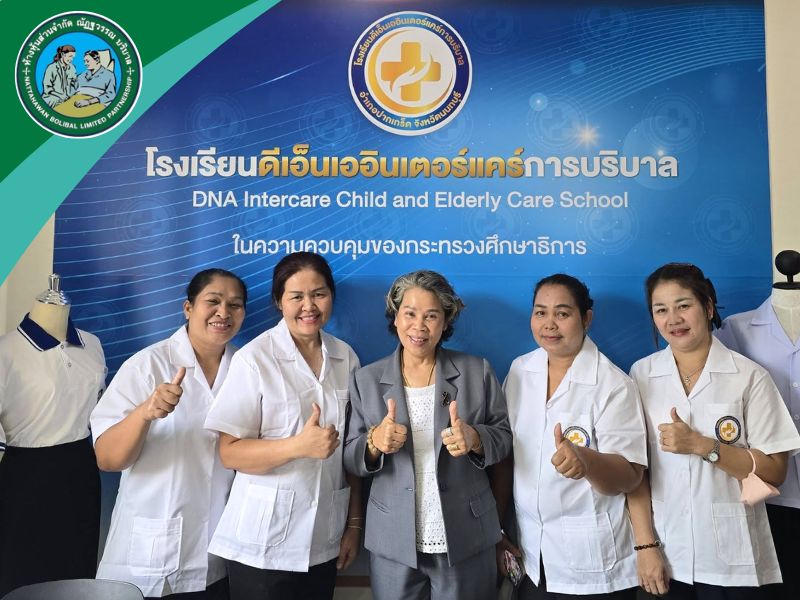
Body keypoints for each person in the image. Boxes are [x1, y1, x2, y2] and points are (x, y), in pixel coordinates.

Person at [626, 263, 800, 600]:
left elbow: (776, 471)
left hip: (732, 557)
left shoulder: (748, 376)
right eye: (661, 310)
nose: (673, 319)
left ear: (707, 307)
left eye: (683, 305)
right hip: (665, 552)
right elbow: (636, 471)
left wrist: (703, 445)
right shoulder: (641, 375)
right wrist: (645, 545)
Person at [344, 269, 512, 600]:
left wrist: (475, 438)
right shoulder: (366, 379)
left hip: (467, 537)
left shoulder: (477, 371)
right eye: (409, 314)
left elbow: (504, 439)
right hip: (392, 541)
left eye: (431, 316)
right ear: (395, 317)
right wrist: (373, 444)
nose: (419, 326)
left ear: (446, 321)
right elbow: (350, 458)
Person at [204, 252, 362, 600]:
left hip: (323, 538)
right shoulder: (254, 358)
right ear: (279, 301)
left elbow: (351, 448)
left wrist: (353, 525)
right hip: (262, 543)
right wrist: (298, 446)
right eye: (296, 296)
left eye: (319, 294)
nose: (309, 306)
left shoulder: (345, 357)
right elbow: (230, 453)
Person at [91, 268, 247, 599]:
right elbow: (107, 458)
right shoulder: (148, 365)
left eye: (235, 305)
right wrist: (145, 413)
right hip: (149, 554)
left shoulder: (245, 368)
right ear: (188, 308)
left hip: (216, 555)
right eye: (213, 301)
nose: (223, 312)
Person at [492, 274, 647, 599]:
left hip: (595, 563)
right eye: (540, 312)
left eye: (562, 313)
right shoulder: (520, 371)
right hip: (532, 556)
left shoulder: (612, 384)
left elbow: (631, 476)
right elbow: (507, 457)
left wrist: (587, 461)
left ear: (586, 318)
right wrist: (498, 528)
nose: (549, 324)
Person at [0, 274, 106, 597]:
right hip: (26, 476)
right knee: (22, 574)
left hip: (82, 471)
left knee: (77, 572)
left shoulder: (92, 344)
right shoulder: (6, 351)